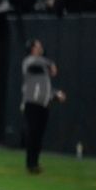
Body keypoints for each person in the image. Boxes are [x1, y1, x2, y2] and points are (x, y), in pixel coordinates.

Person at [22, 39, 66, 174]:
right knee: (33, 133)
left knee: (39, 135)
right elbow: (36, 61)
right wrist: (51, 63)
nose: (41, 47)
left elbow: (45, 89)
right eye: (38, 45)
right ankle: (30, 164)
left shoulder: (42, 69)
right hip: (32, 104)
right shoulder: (29, 62)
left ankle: (35, 162)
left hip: (43, 104)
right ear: (33, 48)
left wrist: (56, 95)